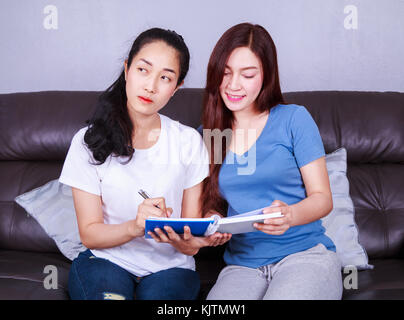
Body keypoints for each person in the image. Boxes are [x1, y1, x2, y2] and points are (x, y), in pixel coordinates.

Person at [59, 28, 230, 300]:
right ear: (127, 70)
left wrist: (196, 237)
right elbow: (90, 235)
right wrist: (136, 226)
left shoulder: (188, 142)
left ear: (176, 88)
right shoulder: (87, 141)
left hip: (171, 269)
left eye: (165, 78)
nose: (151, 86)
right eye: (143, 70)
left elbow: (190, 247)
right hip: (106, 262)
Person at [201, 23, 343, 300]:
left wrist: (290, 215)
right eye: (226, 73)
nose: (233, 85)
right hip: (241, 266)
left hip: (304, 256)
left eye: (248, 74)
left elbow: (323, 198)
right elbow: (213, 203)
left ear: (266, 75)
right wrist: (212, 222)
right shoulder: (212, 135)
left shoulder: (294, 119)